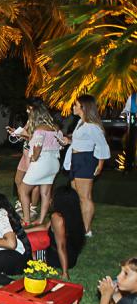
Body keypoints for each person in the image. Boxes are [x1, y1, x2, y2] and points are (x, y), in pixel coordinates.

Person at [61, 94, 110, 236]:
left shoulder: (92, 126)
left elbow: (102, 145)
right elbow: (82, 142)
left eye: (76, 105)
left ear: (83, 107)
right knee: (76, 196)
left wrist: (100, 164)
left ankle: (86, 230)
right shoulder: (81, 122)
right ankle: (79, 225)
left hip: (85, 160)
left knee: (85, 196)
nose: (73, 107)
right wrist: (69, 141)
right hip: (76, 160)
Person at [25, 186, 85, 280]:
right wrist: (24, 231)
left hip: (57, 257)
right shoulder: (73, 214)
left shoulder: (57, 217)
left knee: (25, 253)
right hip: (72, 256)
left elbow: (61, 246)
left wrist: (65, 273)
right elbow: (46, 227)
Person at [19, 106, 63, 226]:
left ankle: (26, 220)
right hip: (54, 162)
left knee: (23, 190)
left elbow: (38, 146)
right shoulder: (56, 128)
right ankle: (41, 220)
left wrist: (34, 157)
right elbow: (61, 145)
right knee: (46, 193)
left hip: (42, 162)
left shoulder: (39, 129)